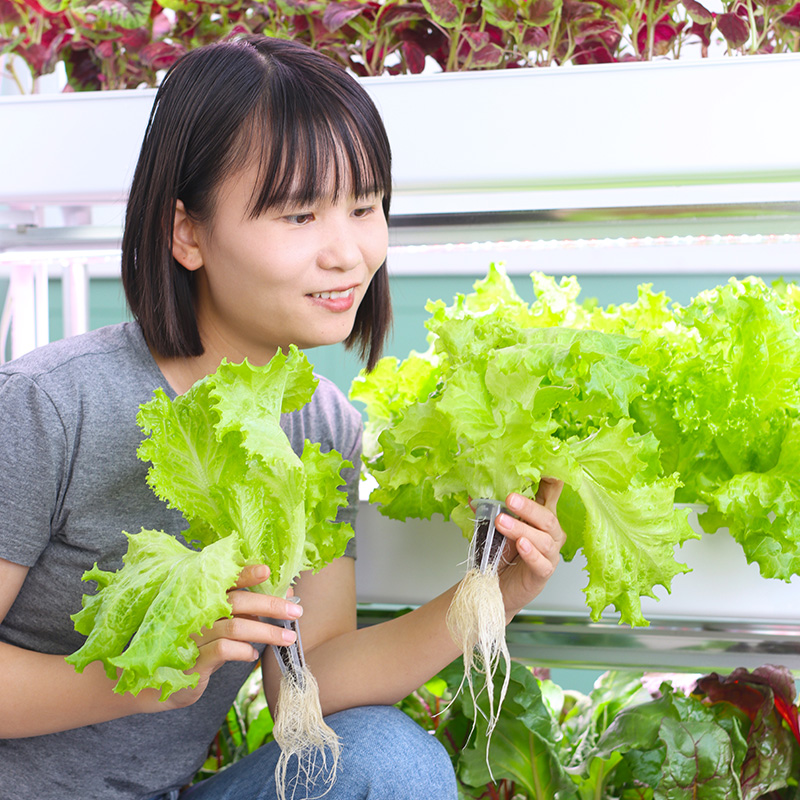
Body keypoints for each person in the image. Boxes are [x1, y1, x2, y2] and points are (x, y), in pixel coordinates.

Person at [0, 35, 566, 800]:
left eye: (365, 207)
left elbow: (312, 680)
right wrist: (139, 680)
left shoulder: (318, 424)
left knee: (387, 759)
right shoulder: (51, 404)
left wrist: (490, 595)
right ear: (187, 233)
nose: (347, 253)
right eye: (299, 215)